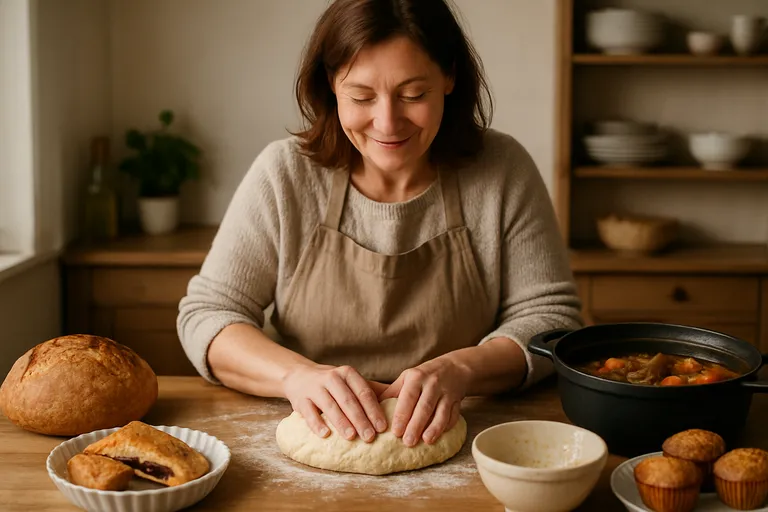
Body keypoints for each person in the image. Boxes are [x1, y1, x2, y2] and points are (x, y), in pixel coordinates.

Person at [177, 0, 582, 450]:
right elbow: (209, 315)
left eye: (414, 95)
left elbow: (552, 320)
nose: (387, 123)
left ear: (449, 77)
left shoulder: (502, 170)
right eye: (361, 97)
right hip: (314, 431)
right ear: (331, 85)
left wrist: (463, 369)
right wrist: (295, 376)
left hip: (473, 432)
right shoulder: (284, 174)